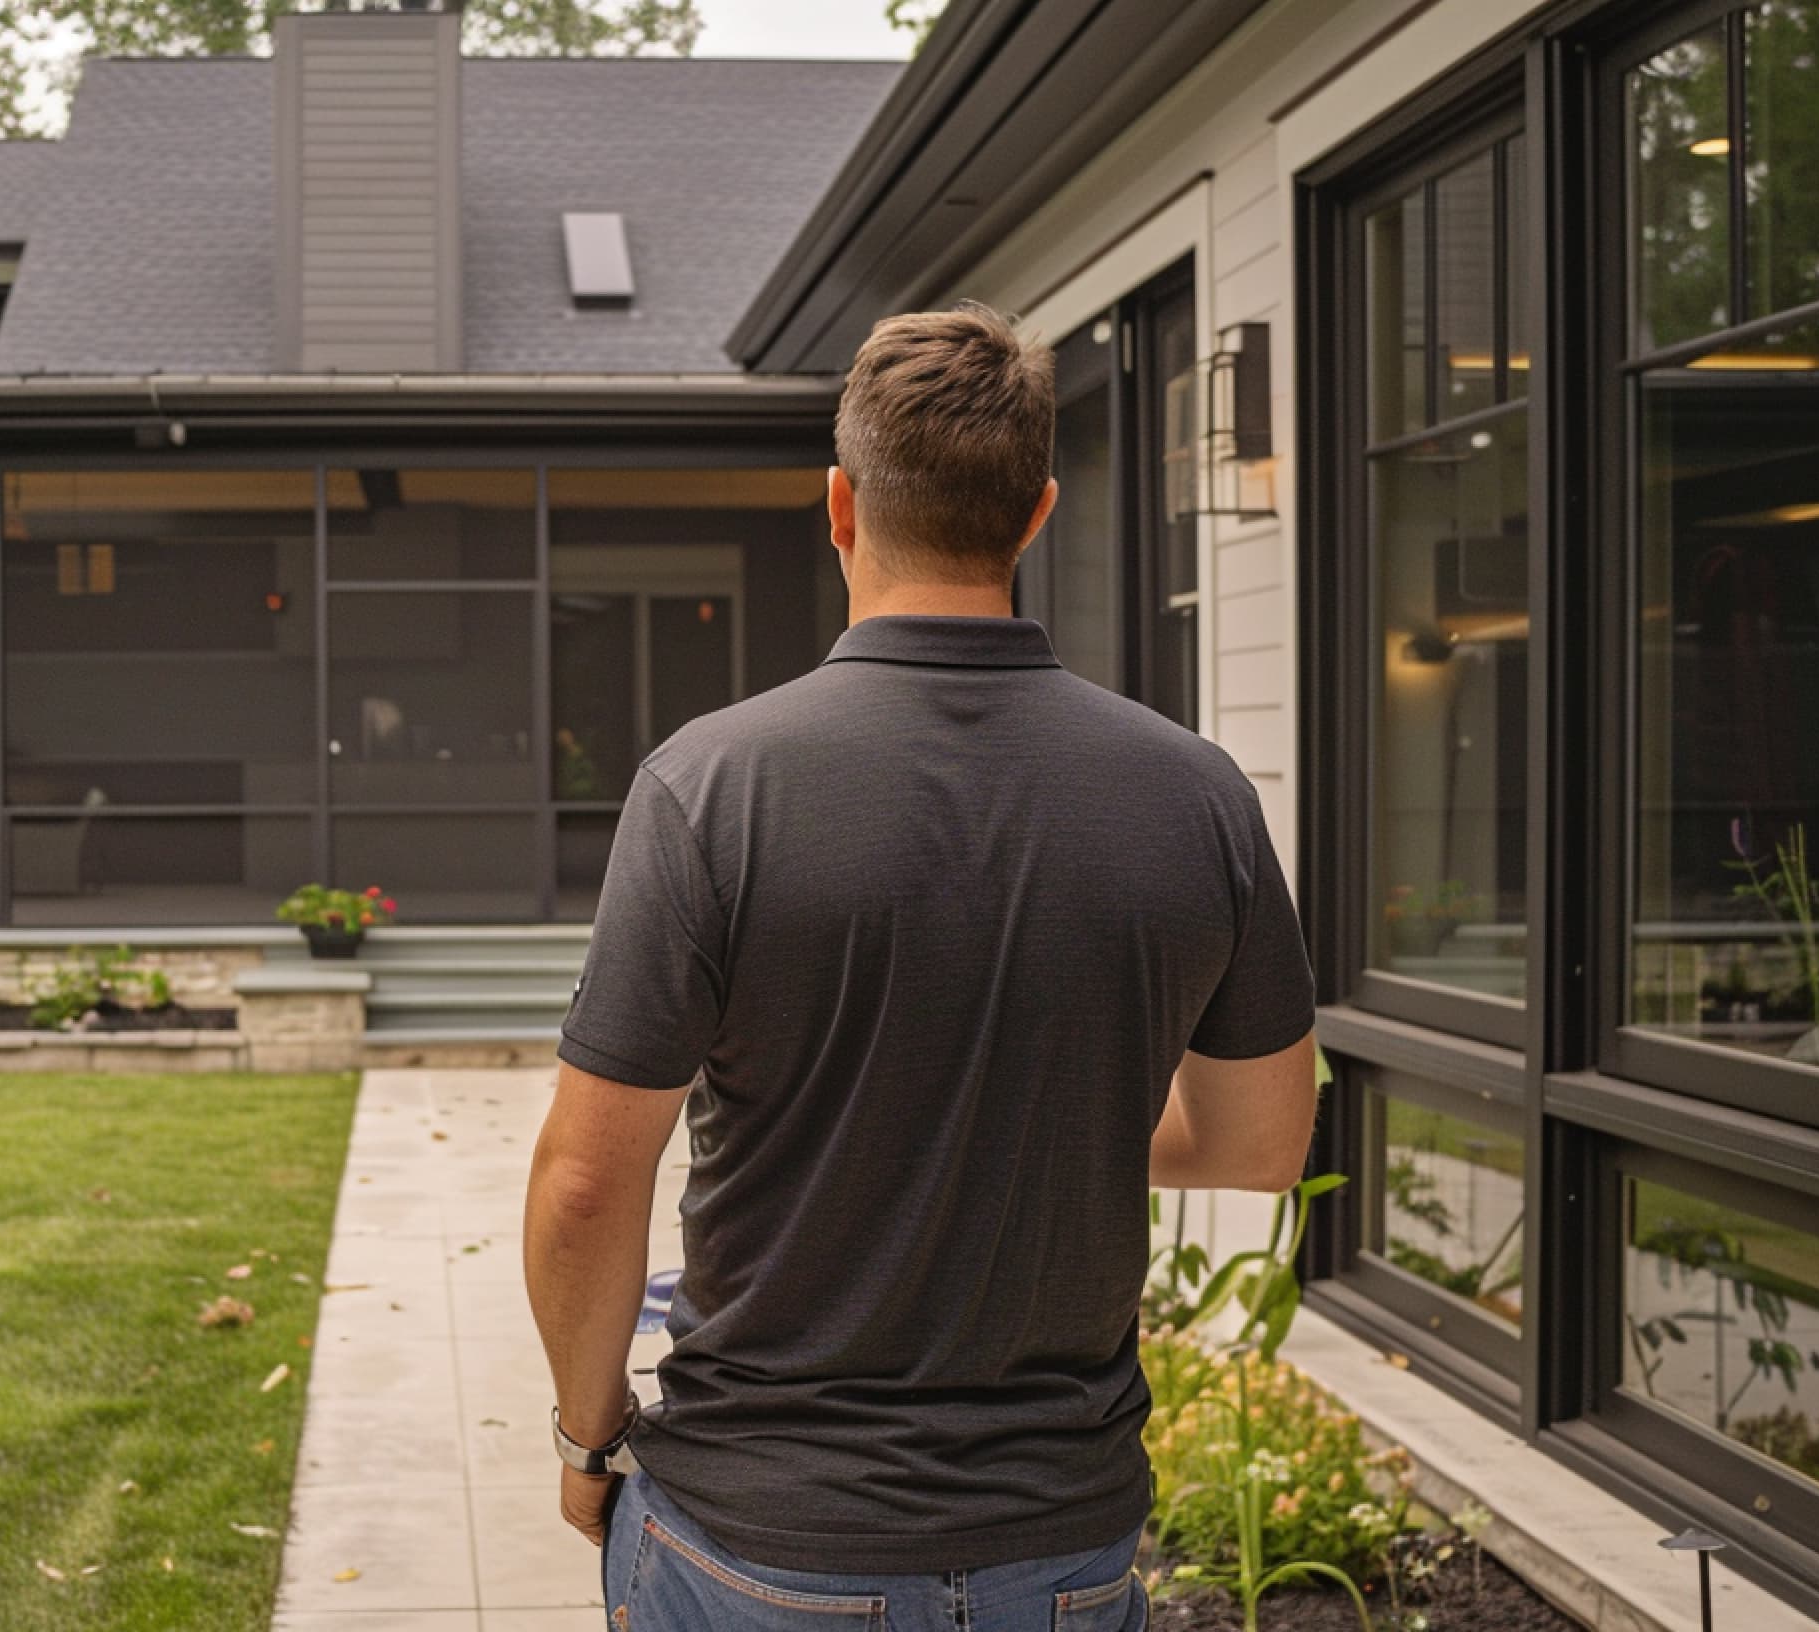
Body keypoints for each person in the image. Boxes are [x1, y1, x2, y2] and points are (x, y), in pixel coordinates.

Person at [522, 303, 1321, 1631]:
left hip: (760, 1542)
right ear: (1037, 513)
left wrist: (585, 1437)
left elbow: (587, 1181)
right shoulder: (1198, 797)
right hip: (1059, 1549)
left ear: (839, 507)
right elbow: (1259, 1144)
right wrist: (1042, 1119)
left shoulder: (712, 788)